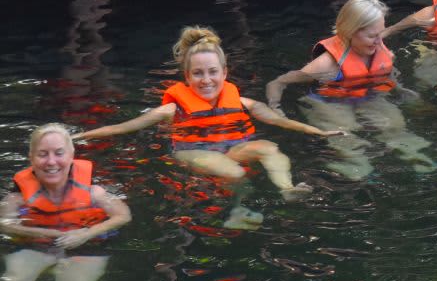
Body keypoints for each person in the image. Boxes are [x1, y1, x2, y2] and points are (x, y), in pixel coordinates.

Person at [73, 27, 338, 205]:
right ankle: (239, 205)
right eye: (198, 74)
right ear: (187, 77)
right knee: (232, 171)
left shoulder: (243, 102)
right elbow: (123, 128)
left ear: (224, 72)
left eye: (212, 72)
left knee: (269, 147)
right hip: (193, 150)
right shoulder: (172, 108)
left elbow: (279, 121)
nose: (206, 79)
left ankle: (287, 188)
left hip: (233, 146)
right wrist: (80, 136)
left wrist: (318, 132)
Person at [265, 0, 435, 178]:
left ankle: (427, 167)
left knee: (395, 125)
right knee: (346, 132)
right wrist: (276, 109)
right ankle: (359, 173)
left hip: (366, 96)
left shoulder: (378, 48)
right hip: (329, 100)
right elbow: (278, 82)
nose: (380, 41)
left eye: (380, 33)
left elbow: (388, 72)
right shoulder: (326, 64)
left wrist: (399, 88)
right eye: (372, 36)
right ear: (350, 31)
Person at [0, 123, 131, 281]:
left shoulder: (94, 191)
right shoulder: (18, 194)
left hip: (85, 244)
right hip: (37, 244)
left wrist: (86, 233)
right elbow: (4, 224)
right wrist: (46, 233)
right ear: (31, 158)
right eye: (43, 154)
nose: (51, 162)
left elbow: (123, 215)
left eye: (59, 153)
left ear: (71, 155)